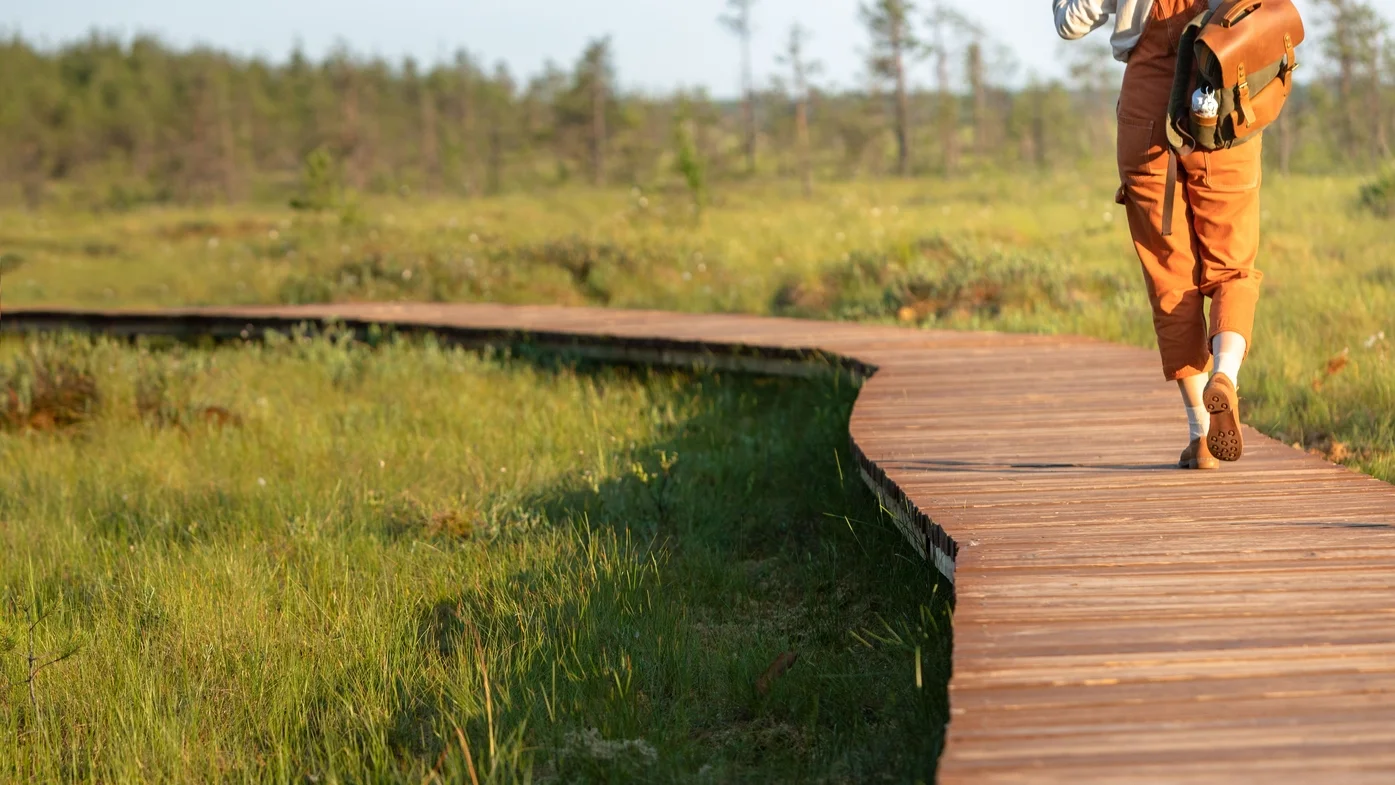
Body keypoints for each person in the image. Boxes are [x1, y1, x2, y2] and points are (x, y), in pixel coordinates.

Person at [1055, 0, 1261, 470]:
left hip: (1148, 107)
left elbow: (1069, 23)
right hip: (1223, 93)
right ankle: (1224, 374)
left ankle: (1202, 437)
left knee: (1171, 275)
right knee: (1232, 263)